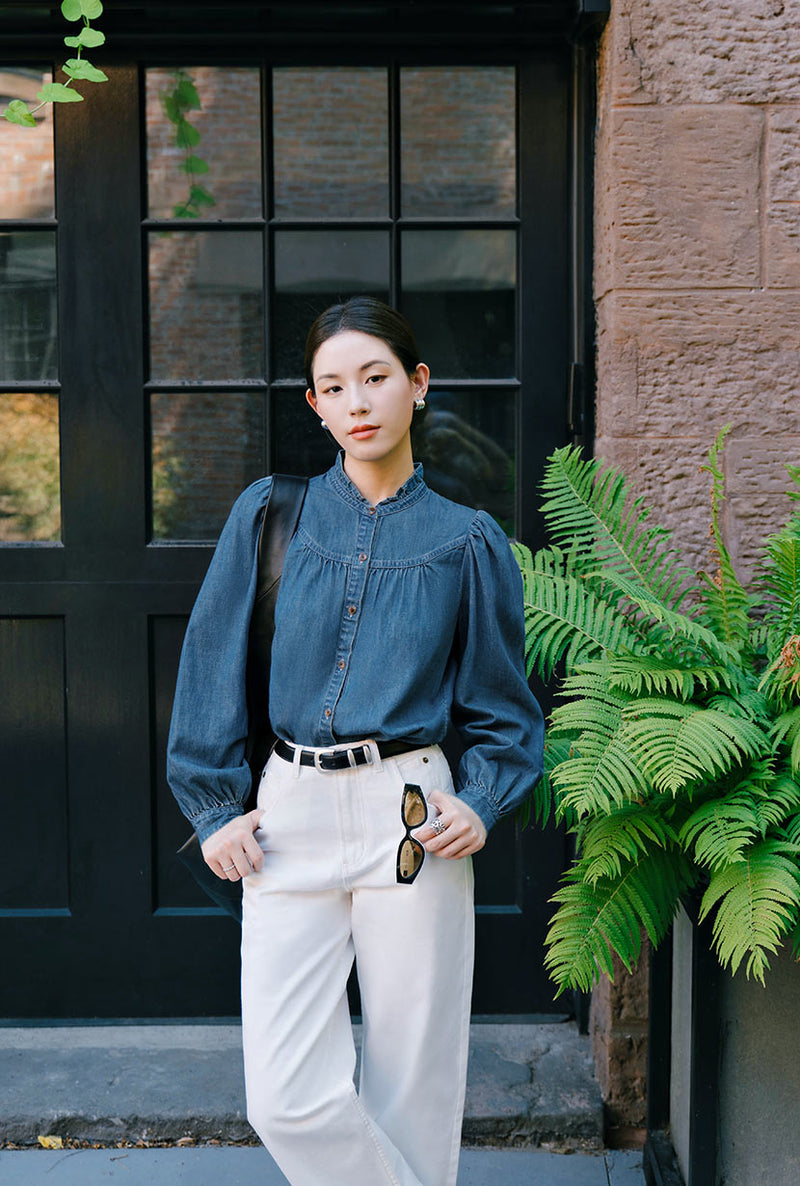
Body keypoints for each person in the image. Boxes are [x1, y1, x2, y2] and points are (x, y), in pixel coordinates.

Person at [167, 297, 544, 1186]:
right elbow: (210, 665)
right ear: (315, 407)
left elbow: (504, 708)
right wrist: (215, 806)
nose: (357, 402)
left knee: (415, 1081)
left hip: (411, 816)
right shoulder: (270, 515)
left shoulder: (467, 542)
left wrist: (482, 803)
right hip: (286, 813)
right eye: (333, 387)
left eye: (375, 378)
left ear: (417, 385)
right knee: (286, 1096)